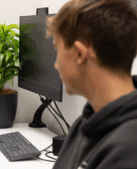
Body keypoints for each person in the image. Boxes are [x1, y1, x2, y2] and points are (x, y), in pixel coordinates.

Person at [45, 0, 137, 168]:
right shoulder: (85, 123)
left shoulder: (129, 150)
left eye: (57, 50)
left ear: (80, 53)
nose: (56, 64)